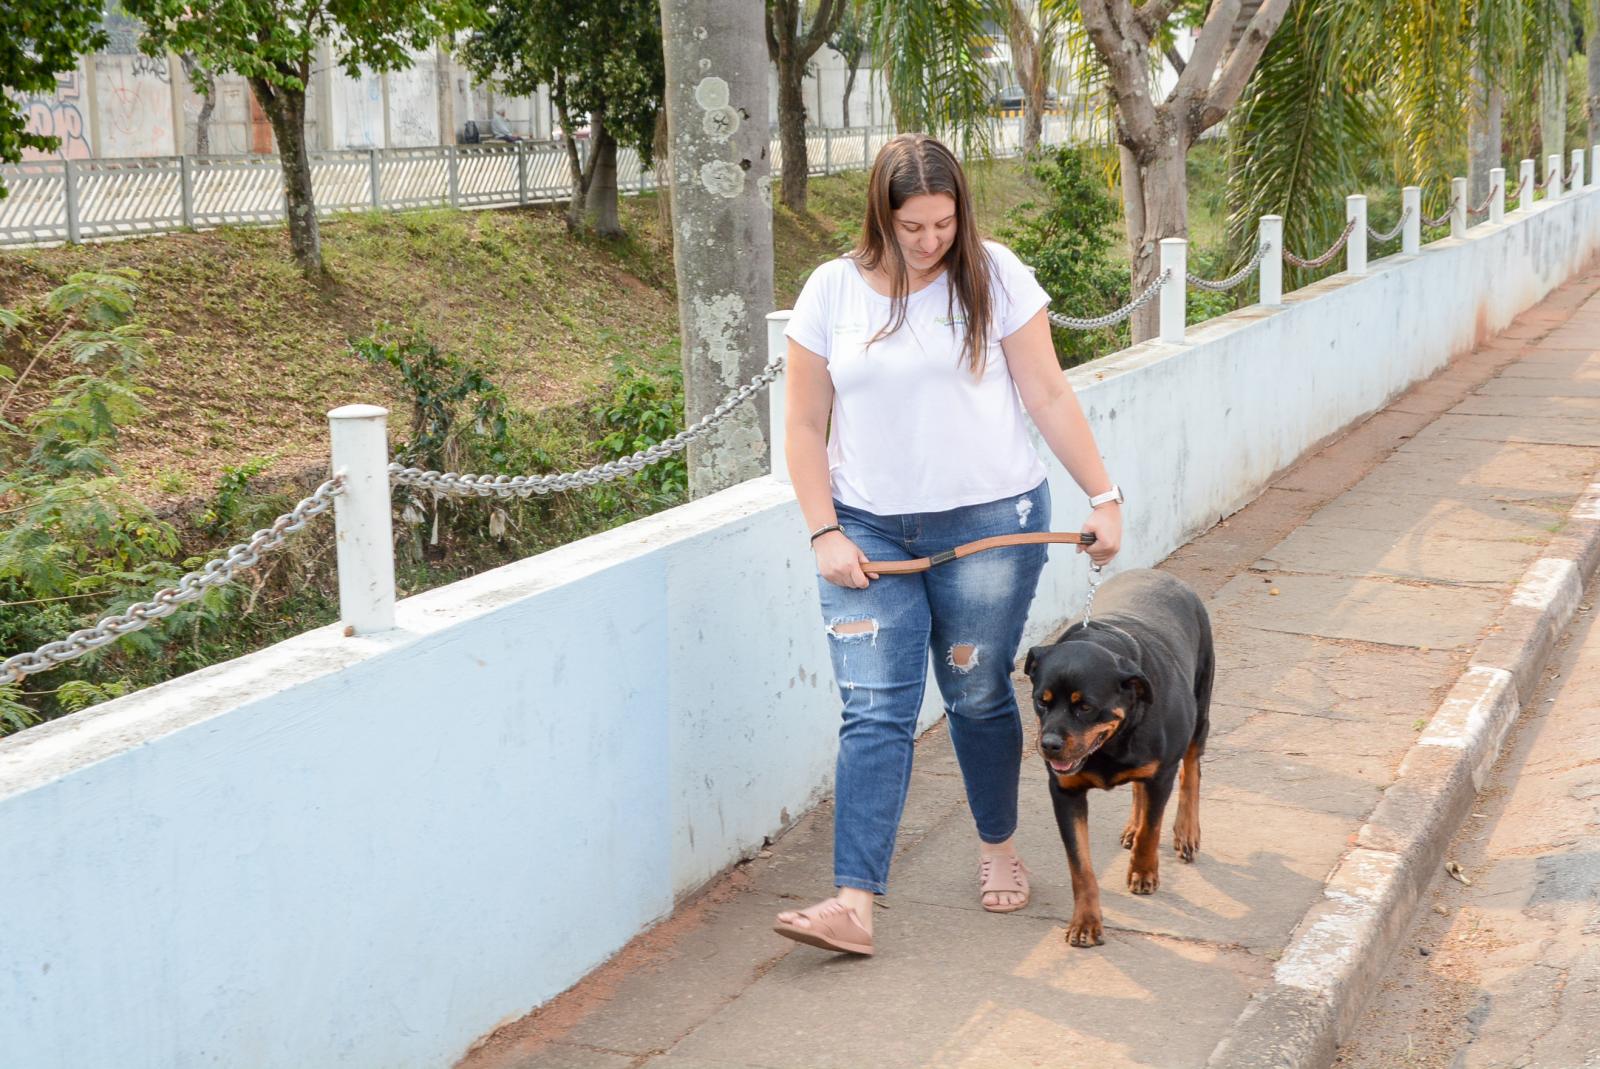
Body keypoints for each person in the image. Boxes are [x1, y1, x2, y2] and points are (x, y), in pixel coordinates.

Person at [772, 133, 1124, 957]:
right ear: (880, 216)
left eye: (943, 223)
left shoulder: (995, 274)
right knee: (875, 709)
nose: (930, 241)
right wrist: (823, 528)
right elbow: (801, 422)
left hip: (990, 525)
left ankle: (998, 845)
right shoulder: (831, 291)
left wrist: (1103, 495)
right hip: (865, 529)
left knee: (973, 692)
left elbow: (1046, 390)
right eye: (912, 227)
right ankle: (854, 901)